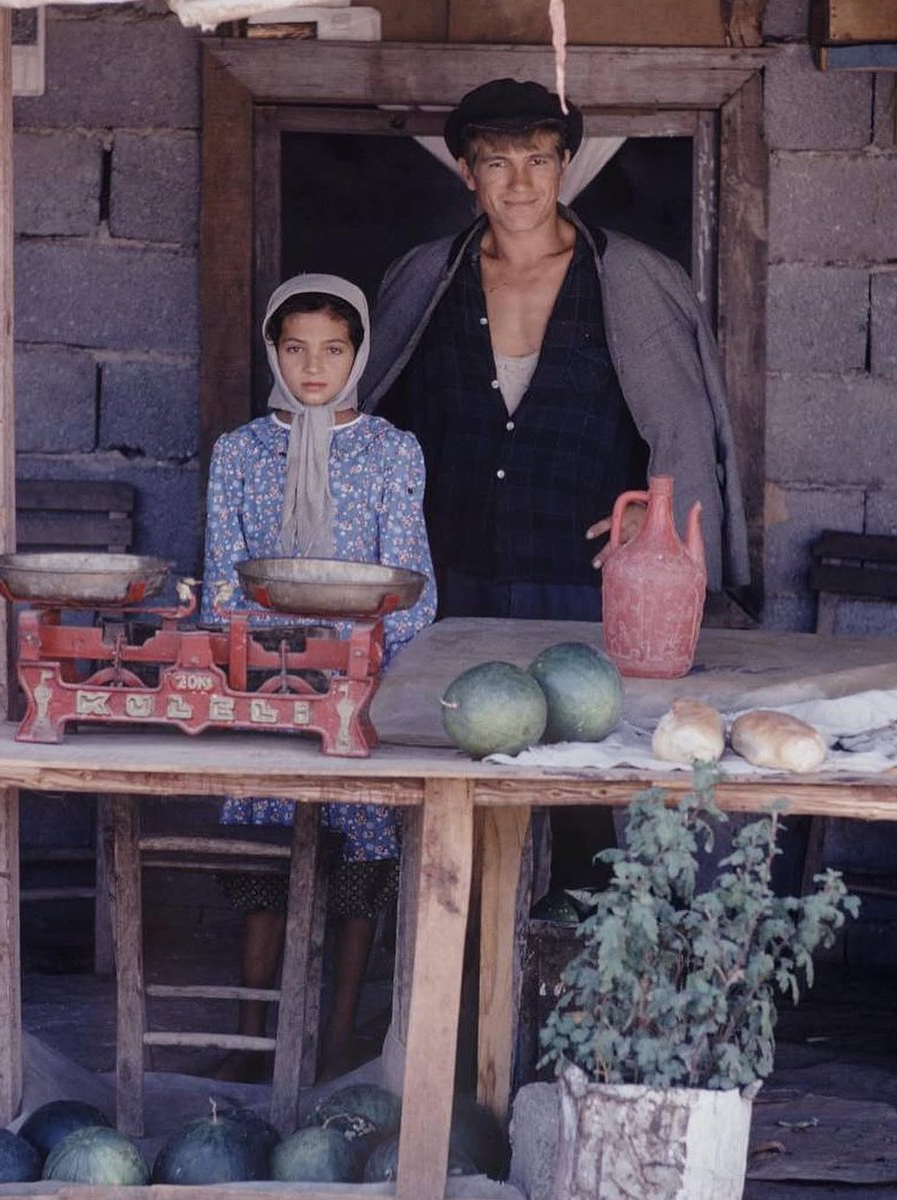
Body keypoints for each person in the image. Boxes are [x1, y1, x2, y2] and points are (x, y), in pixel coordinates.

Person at [360, 78, 750, 886]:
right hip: (450, 577)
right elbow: (365, 422)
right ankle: (460, 985)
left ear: (566, 164)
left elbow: (680, 428)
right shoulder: (426, 278)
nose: (520, 183)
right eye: (496, 163)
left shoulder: (631, 280)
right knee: (449, 788)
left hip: (579, 582)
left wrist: (665, 525)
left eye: (538, 159)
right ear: (467, 173)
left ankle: (577, 981)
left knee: (582, 793)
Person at [201, 274, 436, 1080]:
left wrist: (352, 661)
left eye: (333, 350)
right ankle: (251, 1041)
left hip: (359, 693)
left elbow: (414, 588)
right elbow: (223, 586)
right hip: (263, 687)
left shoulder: (391, 451)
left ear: (358, 353)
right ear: (273, 351)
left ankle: (336, 1039)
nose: (313, 367)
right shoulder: (240, 454)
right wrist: (276, 655)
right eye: (295, 349)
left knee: (360, 866)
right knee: (264, 861)